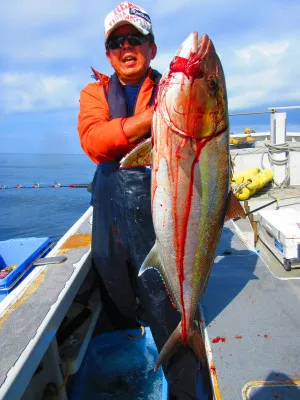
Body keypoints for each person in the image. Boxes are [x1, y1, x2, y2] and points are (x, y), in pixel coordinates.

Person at [78, 3, 208, 399]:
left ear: (152, 48)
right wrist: (151, 121)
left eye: (135, 38)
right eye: (117, 42)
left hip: (158, 217)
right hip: (113, 222)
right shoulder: (94, 92)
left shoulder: (172, 86)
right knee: (116, 293)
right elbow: (95, 142)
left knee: (163, 304)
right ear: (108, 54)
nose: (126, 47)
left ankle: (183, 376)